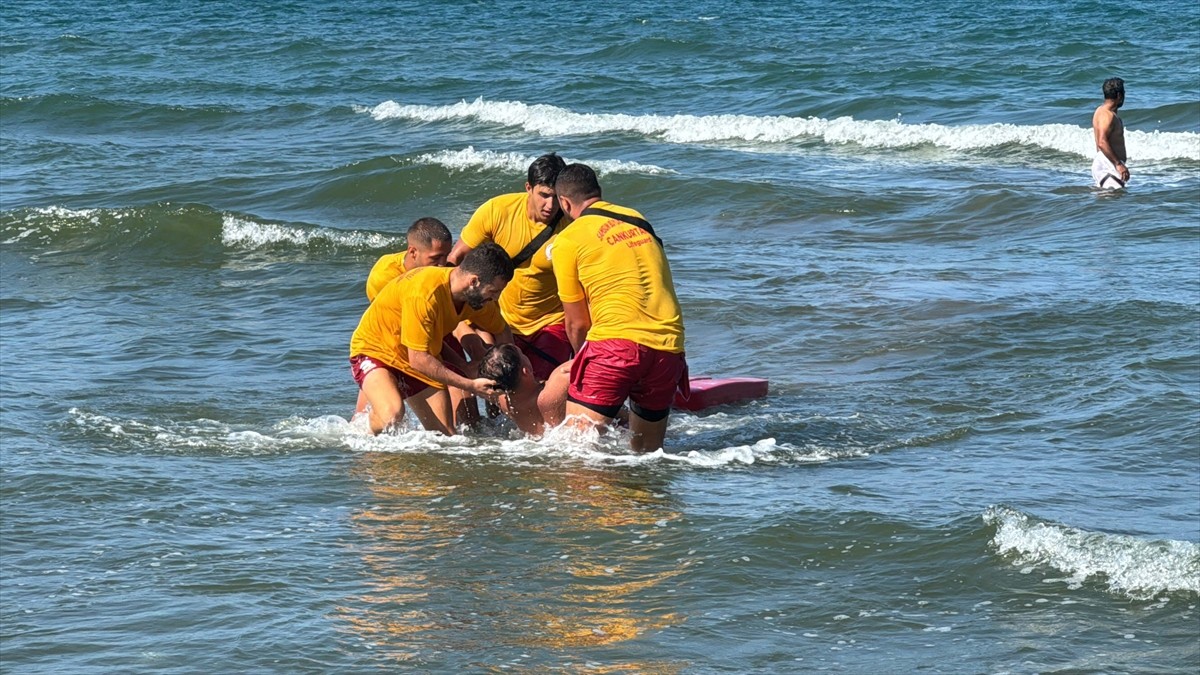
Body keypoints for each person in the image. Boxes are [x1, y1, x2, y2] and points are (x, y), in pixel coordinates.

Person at [549, 163, 688, 453]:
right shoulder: (637, 218)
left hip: (614, 346)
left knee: (574, 454)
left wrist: (580, 360)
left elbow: (576, 323)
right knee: (648, 454)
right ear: (598, 193)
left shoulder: (568, 240)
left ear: (564, 202)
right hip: (668, 348)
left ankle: (605, 499)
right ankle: (639, 500)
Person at [349, 242, 514, 436]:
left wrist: (512, 372)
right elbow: (419, 359)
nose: (495, 298)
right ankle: (357, 433)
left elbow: (502, 331)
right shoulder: (425, 295)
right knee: (392, 416)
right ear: (474, 281)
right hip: (376, 350)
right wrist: (469, 385)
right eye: (493, 292)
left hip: (417, 356)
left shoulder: (478, 301)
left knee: (444, 437)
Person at [448, 153, 574, 383]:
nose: (551, 205)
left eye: (556, 197)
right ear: (528, 187)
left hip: (550, 322)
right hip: (500, 320)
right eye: (544, 195)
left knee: (541, 390)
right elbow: (456, 258)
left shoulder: (572, 224)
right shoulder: (498, 210)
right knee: (498, 394)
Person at [364, 217, 453, 302]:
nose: (443, 264)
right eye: (436, 258)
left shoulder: (435, 264)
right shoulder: (383, 278)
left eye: (446, 256)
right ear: (413, 252)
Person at [1092, 77, 1129, 189]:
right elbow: (1102, 142)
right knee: (1115, 202)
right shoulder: (1107, 115)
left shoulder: (1100, 110)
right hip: (1108, 165)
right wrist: (1118, 164)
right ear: (1119, 95)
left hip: (1105, 163)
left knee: (1109, 204)